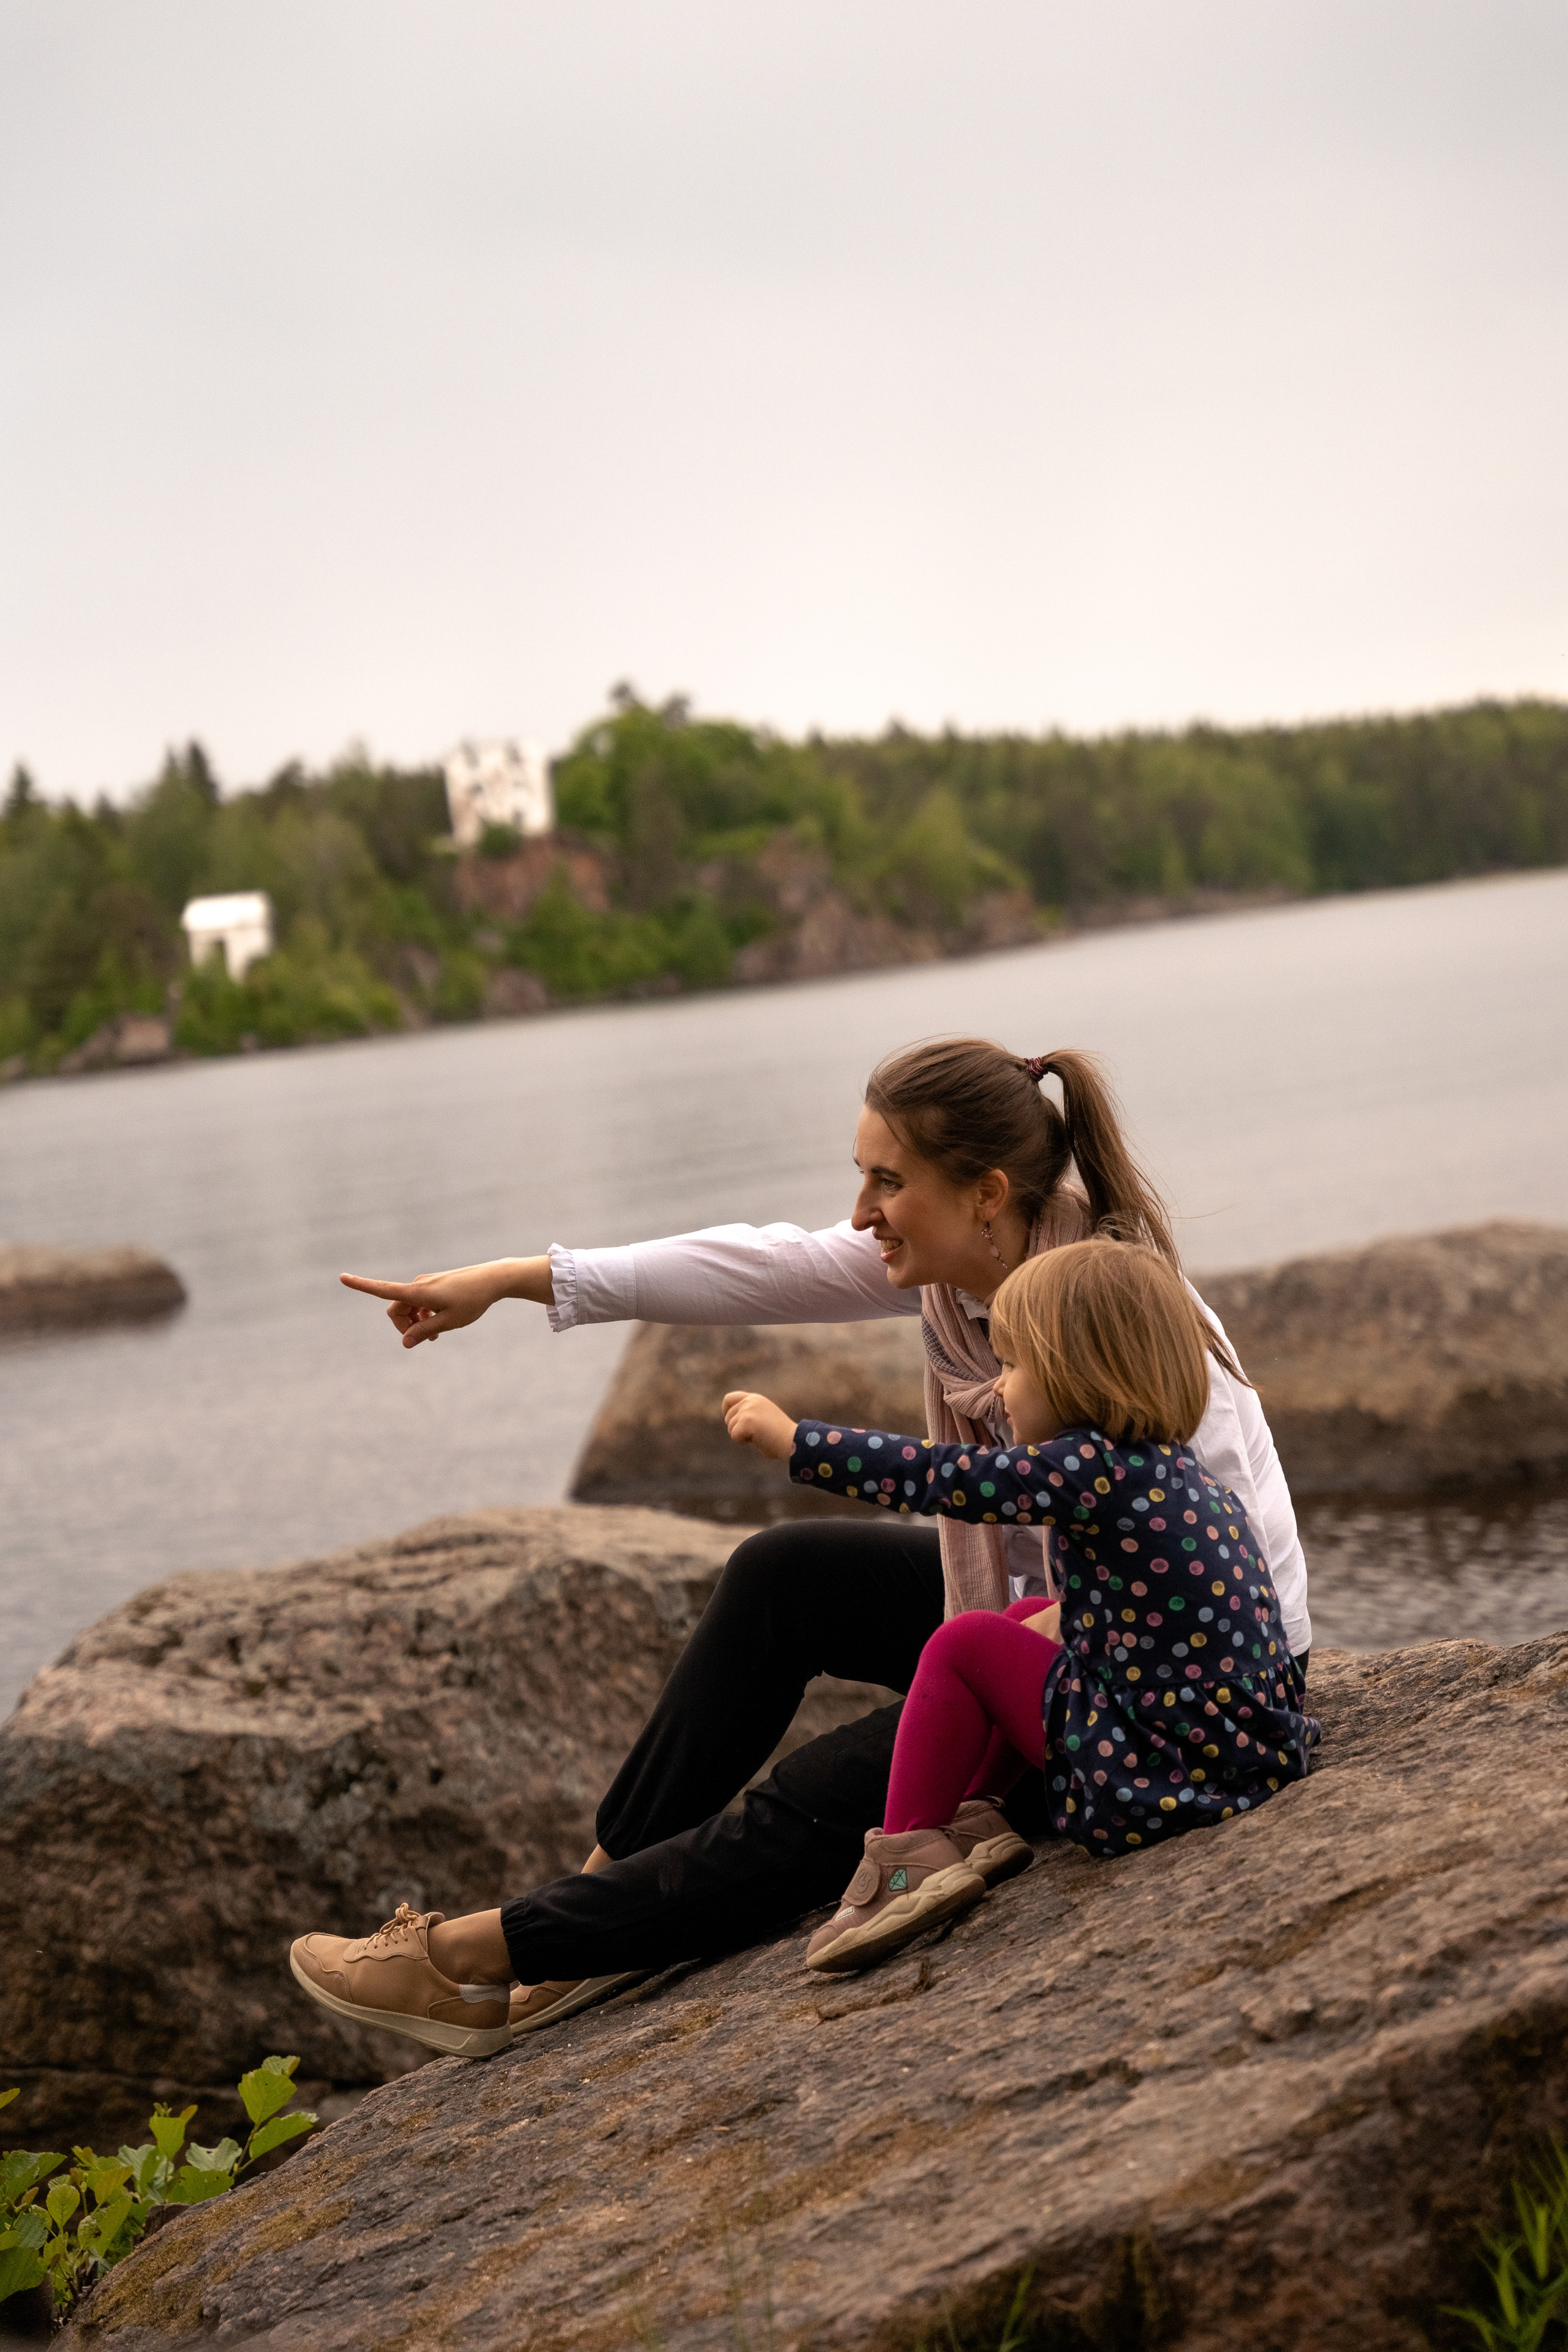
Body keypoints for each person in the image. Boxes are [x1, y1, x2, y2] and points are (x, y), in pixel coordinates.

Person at [288, 1040, 1311, 2058]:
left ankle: (485, 1953)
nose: (862, 1212)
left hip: (1164, 1696)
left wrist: (1034, 1650)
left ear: (986, 1196)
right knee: (784, 1577)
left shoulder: (1114, 1313)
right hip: (1072, 1617)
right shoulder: (959, 1279)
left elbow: (1231, 1571)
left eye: (887, 1182)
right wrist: (513, 1280)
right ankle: (599, 1897)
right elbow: (760, 1266)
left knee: (827, 1790)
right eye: (862, 1177)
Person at [720, 1238, 1318, 1975]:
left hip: (1156, 1777)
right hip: (1242, 1751)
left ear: (1078, 1372)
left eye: (1012, 1364)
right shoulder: (1182, 1474)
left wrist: (799, 1443)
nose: (998, 1388)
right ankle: (975, 1819)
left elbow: (940, 1476)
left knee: (964, 1644)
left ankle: (903, 1862)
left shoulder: (1086, 1469)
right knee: (1020, 1620)